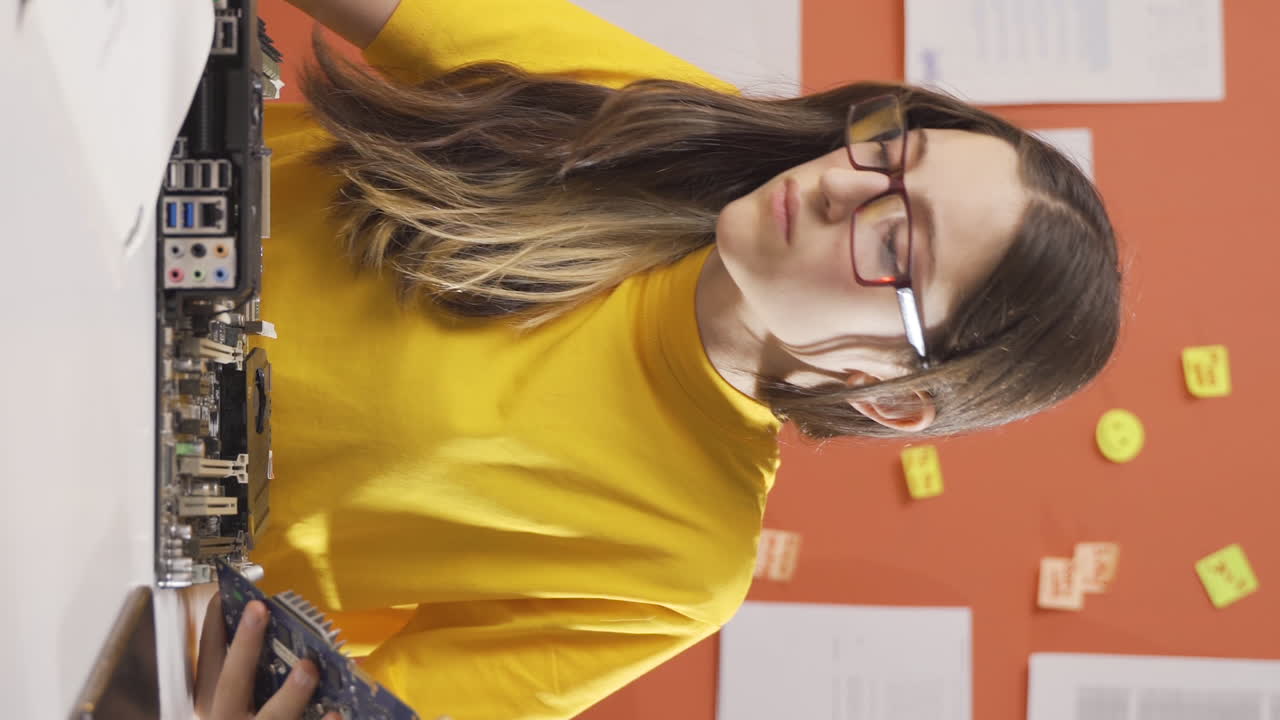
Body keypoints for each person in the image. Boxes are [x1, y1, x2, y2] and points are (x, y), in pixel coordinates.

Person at [194, 0, 1122, 718]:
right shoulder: (661, 117)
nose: (844, 187)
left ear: (888, 395)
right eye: (891, 153)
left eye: (895, 248)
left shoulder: (678, 568)